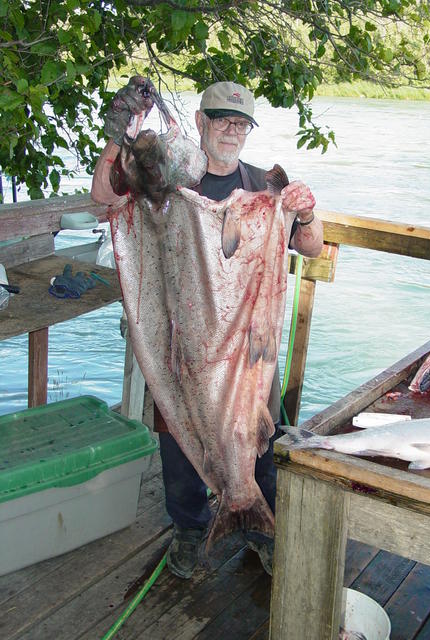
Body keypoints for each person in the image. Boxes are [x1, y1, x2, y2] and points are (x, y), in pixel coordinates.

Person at [91, 77, 323, 579]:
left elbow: (311, 247)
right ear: (200, 121)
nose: (232, 132)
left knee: (256, 436)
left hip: (250, 347)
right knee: (177, 434)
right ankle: (192, 529)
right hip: (184, 340)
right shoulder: (171, 179)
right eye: (222, 121)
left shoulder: (265, 183)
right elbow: (105, 196)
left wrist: (304, 212)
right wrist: (118, 129)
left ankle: (257, 525)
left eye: (241, 124)